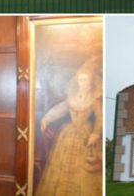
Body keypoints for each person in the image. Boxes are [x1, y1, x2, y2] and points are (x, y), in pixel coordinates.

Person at [35, 57, 102, 196]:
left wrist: (95, 133)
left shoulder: (94, 99)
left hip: (85, 133)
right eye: (80, 79)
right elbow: (60, 109)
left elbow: (100, 118)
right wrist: (46, 118)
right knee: (60, 169)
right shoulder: (72, 96)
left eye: (84, 80)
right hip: (67, 134)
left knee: (84, 172)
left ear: (91, 82)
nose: (81, 83)